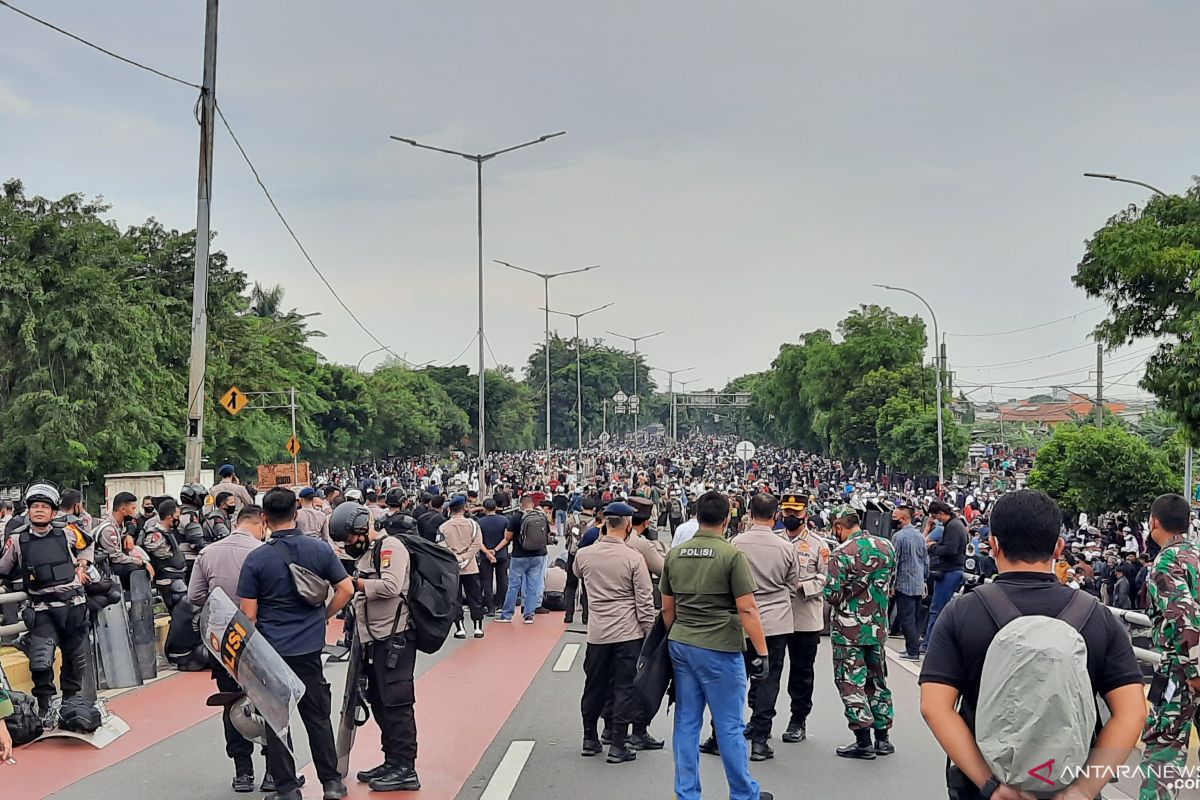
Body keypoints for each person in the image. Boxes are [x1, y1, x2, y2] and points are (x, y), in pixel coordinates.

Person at [920, 489, 1145, 800]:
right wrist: (1083, 790)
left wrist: (991, 786)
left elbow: (935, 707)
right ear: (1058, 547)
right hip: (1066, 785)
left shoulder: (962, 612)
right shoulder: (1097, 617)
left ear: (994, 544)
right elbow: (1132, 712)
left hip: (983, 790)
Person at [237, 488, 354, 800]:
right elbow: (345, 589)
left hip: (273, 653)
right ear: (297, 514)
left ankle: (288, 788)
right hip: (309, 651)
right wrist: (323, 616)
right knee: (317, 718)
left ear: (264, 518)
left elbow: (248, 614)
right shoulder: (319, 550)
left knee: (277, 721)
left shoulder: (256, 559)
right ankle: (331, 783)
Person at [659, 491, 775, 800]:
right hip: (721, 647)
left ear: (695, 515)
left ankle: (686, 793)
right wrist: (761, 652)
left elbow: (667, 609)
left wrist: (681, 634)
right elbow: (748, 608)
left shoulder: (675, 554)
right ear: (727, 519)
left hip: (682, 643)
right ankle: (743, 792)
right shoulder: (731, 555)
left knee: (686, 721)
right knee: (729, 724)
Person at [329, 502, 421, 793]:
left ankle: (406, 767)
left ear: (362, 529)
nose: (348, 545)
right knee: (378, 700)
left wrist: (356, 585)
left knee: (397, 703)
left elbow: (392, 586)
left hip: (395, 638)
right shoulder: (369, 553)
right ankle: (391, 760)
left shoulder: (390, 547)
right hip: (372, 640)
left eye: (350, 539)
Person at [188, 505, 268, 793]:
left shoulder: (208, 553)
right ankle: (273, 770)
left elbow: (194, 595)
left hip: (223, 641)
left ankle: (243, 772)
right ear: (261, 524)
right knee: (268, 702)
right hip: (260, 639)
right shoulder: (264, 552)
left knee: (232, 700)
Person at [0, 484, 94, 721]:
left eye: (44, 507)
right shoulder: (17, 540)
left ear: (53, 512)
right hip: (42, 609)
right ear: (28, 511)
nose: (39, 511)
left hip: (73, 606)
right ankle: (45, 709)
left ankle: (71, 706)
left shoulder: (68, 532)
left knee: (74, 660)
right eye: (34, 507)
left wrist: (83, 565)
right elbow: (3, 568)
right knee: (41, 662)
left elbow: (89, 544)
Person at [573, 501, 656, 764]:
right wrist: (648, 633)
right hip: (627, 633)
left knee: (594, 685)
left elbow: (577, 575)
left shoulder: (584, 555)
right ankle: (618, 743)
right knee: (624, 688)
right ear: (629, 525)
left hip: (597, 633)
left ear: (605, 523)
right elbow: (644, 601)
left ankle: (589, 738)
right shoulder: (633, 558)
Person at [727, 493, 800, 761]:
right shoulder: (785, 547)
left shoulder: (736, 543)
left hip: (740, 621)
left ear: (749, 513)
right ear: (776, 515)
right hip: (776, 621)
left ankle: (720, 734)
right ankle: (760, 739)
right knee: (769, 681)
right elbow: (792, 584)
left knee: (734, 680)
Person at [1140, 493, 1200, 799]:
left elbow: (1185, 620)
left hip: (1181, 673)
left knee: (1163, 750)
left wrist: (1194, 670)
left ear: (1154, 522)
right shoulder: (1197, 553)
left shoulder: (1166, 560)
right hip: (1191, 669)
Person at [824, 504, 896, 759]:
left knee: (851, 682)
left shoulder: (841, 552)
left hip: (848, 629)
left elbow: (831, 595)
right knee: (877, 681)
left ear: (839, 527)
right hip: (877, 627)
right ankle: (883, 738)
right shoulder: (887, 547)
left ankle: (863, 740)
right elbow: (890, 585)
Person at [779, 492, 829, 743]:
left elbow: (827, 578)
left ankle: (798, 719)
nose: (790, 517)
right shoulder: (775, 540)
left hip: (805, 616)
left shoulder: (819, 545)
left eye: (795, 513)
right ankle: (760, 718)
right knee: (767, 671)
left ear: (805, 515)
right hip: (776, 616)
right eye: (786, 512)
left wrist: (803, 586)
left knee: (801, 672)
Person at [495, 494, 550, 624]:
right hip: (538, 555)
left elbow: (507, 538)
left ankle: (507, 615)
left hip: (519, 556)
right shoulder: (541, 516)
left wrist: (495, 549)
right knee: (533, 586)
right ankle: (529, 615)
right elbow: (547, 536)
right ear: (532, 504)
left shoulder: (516, 517)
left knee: (514, 585)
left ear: (521, 504)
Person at [923, 499, 967, 655]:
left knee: (937, 609)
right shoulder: (954, 525)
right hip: (949, 570)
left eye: (936, 517)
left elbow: (951, 549)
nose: (936, 520)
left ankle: (929, 644)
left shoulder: (954, 527)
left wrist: (933, 546)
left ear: (941, 514)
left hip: (950, 571)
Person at [439, 495, 485, 639]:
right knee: (475, 597)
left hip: (452, 567)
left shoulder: (443, 527)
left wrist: (456, 557)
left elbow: (441, 545)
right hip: (470, 566)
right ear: (464, 508)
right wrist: (466, 557)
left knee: (455, 599)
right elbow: (477, 543)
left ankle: (460, 628)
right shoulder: (473, 524)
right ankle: (478, 627)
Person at [890, 505, 927, 661]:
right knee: (915, 618)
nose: (893, 521)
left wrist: (891, 584)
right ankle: (912, 648)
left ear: (904, 519)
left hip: (904, 582)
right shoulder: (920, 536)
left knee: (906, 619)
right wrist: (924, 579)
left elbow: (894, 562)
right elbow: (926, 560)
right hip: (918, 581)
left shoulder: (898, 537)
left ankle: (912, 651)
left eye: (895, 518)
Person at [92, 491, 147, 591]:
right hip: (103, 570)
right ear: (123, 510)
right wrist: (141, 561)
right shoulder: (109, 529)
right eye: (133, 508)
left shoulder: (119, 526)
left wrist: (127, 536)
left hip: (110, 565)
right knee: (134, 569)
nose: (135, 513)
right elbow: (115, 557)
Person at [476, 499, 510, 617]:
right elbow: (506, 538)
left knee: (486, 582)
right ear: (496, 508)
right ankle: (501, 604)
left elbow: (478, 541)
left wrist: (487, 552)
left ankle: (490, 608)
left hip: (485, 555)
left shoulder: (479, 522)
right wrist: (495, 550)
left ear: (484, 508)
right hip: (501, 553)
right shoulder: (504, 520)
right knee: (503, 580)